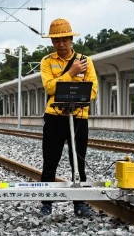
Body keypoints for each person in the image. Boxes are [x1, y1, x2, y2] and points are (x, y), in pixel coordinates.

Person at [39, 18, 98, 217]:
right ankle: (46, 203)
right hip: (54, 117)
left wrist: (77, 100)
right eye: (56, 40)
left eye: (64, 39)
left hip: (79, 116)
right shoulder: (47, 61)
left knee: (78, 161)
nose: (61, 44)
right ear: (52, 42)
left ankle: (79, 203)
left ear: (71, 39)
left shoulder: (85, 61)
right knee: (50, 161)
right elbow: (49, 86)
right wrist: (71, 73)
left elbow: (93, 90)